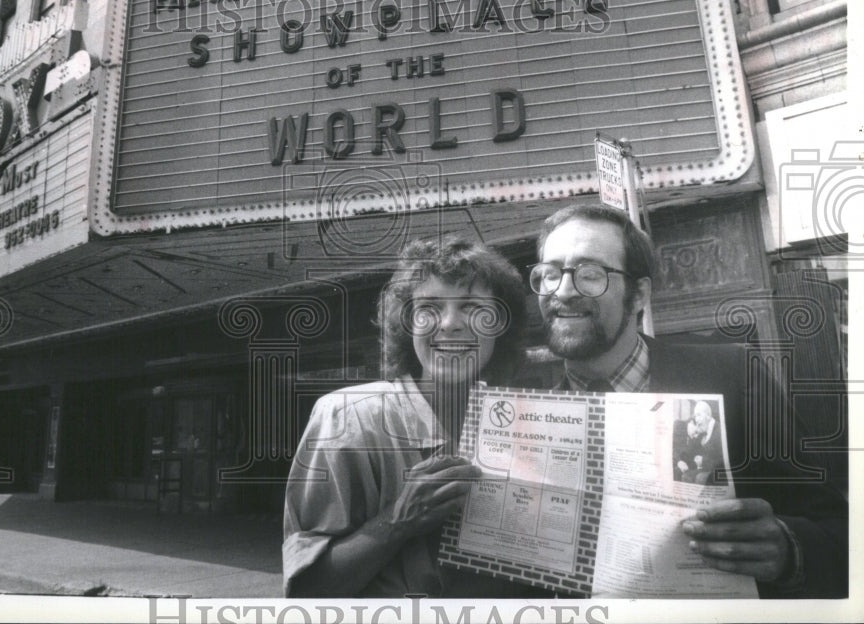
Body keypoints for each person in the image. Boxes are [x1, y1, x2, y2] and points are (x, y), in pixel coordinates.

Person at [527, 202, 847, 597]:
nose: (563, 290)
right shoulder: (535, 427)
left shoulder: (732, 374)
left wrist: (789, 549)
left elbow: (837, 523)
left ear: (639, 293)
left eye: (590, 273)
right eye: (550, 273)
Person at [282, 237, 529, 597]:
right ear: (408, 324)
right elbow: (307, 591)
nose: (449, 324)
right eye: (428, 307)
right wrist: (398, 520)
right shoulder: (346, 419)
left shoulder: (527, 426)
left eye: (472, 307)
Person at [675, 400, 725, 485]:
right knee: (681, 473)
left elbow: (724, 461)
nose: (696, 420)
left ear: (708, 415)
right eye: (695, 416)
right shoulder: (702, 430)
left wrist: (704, 461)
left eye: (699, 415)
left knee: (700, 478)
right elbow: (690, 453)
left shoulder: (720, 430)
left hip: (718, 472)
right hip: (703, 469)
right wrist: (680, 461)